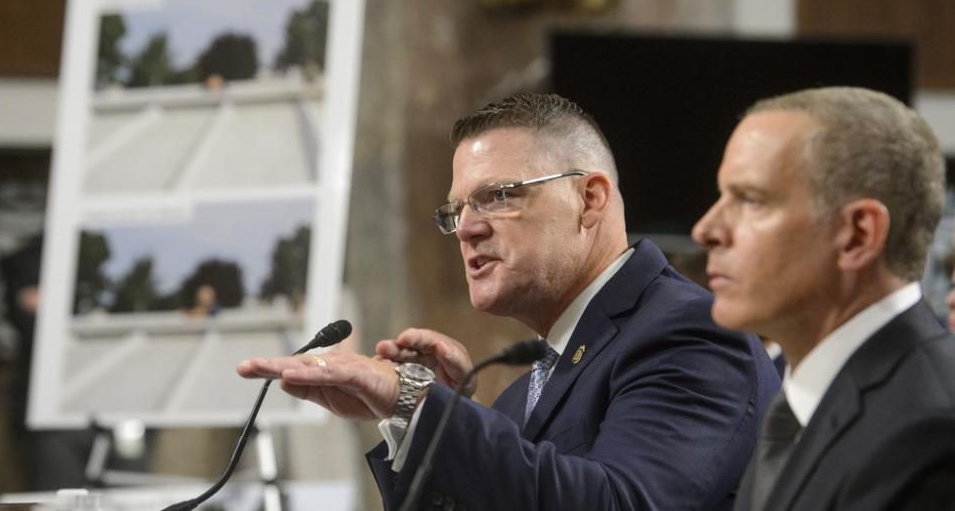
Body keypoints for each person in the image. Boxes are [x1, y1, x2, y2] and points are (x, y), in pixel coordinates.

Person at [238, 93, 779, 510]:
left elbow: (620, 503)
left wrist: (422, 407)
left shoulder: (690, 334)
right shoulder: (522, 396)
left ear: (589, 200)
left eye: (498, 196)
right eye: (456, 210)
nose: (467, 229)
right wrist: (430, 422)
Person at [692, 86, 955, 511]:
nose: (705, 229)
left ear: (857, 235)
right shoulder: (805, 394)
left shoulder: (930, 433)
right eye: (722, 196)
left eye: (751, 201)